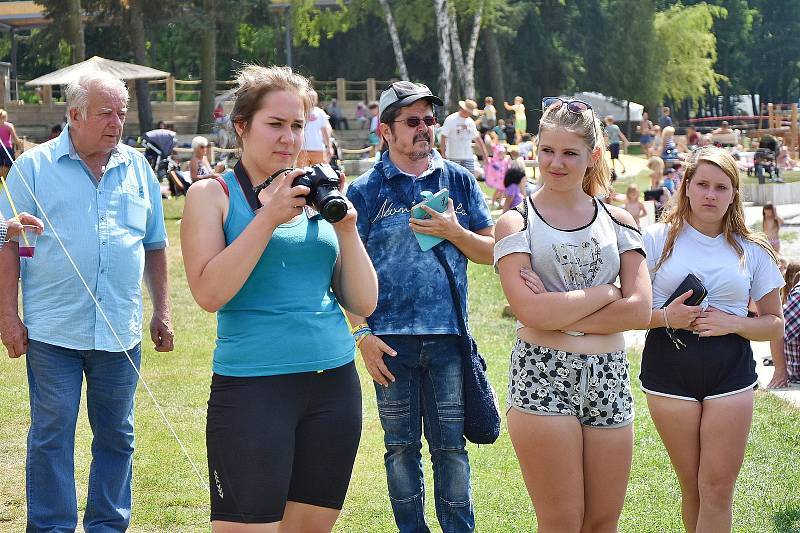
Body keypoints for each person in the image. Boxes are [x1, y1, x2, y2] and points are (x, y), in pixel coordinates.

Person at [181, 65, 377, 532]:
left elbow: (364, 302)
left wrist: (347, 229)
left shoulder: (317, 195)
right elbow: (209, 293)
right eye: (276, 124)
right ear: (242, 125)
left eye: (297, 124)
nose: (289, 138)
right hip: (254, 387)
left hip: (333, 386)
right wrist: (267, 217)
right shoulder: (213, 195)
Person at [0, 71, 173, 531]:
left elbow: (155, 244)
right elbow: (7, 242)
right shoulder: (32, 167)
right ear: (74, 116)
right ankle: (52, 526)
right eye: (106, 113)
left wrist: (163, 310)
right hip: (52, 331)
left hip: (121, 331)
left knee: (118, 436)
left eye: (121, 112)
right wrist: (7, 317)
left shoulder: (138, 166)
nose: (117, 122)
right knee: (52, 435)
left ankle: (107, 525)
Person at [494, 96, 651, 531]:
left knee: (602, 522)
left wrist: (553, 310)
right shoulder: (516, 223)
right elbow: (528, 309)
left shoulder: (619, 220)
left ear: (593, 156)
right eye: (547, 150)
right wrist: (606, 290)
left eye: (569, 153)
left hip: (609, 375)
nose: (555, 163)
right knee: (561, 521)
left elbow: (640, 310)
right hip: (543, 373)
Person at [345, 80, 494, 533]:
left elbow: (491, 251)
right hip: (389, 343)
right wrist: (362, 336)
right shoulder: (365, 190)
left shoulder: (459, 181)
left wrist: (454, 231)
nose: (425, 128)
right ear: (385, 130)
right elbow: (343, 271)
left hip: (448, 337)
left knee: (451, 448)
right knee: (399, 448)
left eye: (429, 119)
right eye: (413, 121)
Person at [639, 146, 784, 533]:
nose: (710, 194)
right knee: (693, 489)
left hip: (730, 373)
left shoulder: (753, 250)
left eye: (721, 187)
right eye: (701, 184)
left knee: (717, 489)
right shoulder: (654, 239)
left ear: (734, 194)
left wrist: (732, 323)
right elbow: (629, 313)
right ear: (685, 187)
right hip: (668, 371)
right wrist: (668, 317)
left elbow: (773, 324)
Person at [440, 98, 489, 176]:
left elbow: (477, 139)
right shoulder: (451, 119)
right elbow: (443, 137)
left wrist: (485, 155)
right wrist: (443, 154)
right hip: (453, 156)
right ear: (463, 109)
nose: (470, 114)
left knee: (469, 179)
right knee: (454, 180)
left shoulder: (471, 122)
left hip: (468, 156)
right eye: (469, 112)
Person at [297, 89, 332, 167]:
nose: (311, 100)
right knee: (301, 174)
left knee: (320, 173)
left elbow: (324, 130)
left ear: (316, 100)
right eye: (309, 98)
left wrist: (329, 146)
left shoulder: (320, 113)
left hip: (318, 148)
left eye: (313, 98)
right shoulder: (299, 111)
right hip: (303, 149)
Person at [0, 108, 20, 175]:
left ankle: (1, 179)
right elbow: (15, 138)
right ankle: (6, 178)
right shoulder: (9, 126)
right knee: (9, 165)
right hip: (7, 147)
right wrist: (19, 145)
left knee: (1, 165)